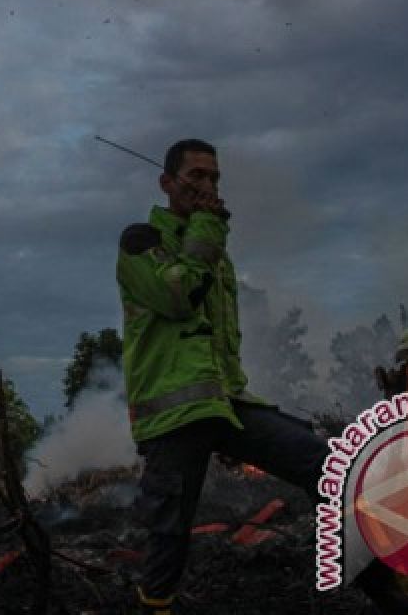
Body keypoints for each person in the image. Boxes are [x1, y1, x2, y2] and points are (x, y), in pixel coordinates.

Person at [116, 138, 333, 613]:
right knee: (169, 536)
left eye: (214, 178)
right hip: (175, 415)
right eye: (195, 176)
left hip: (226, 403)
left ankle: (401, 590)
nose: (207, 186)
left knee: (329, 465)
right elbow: (179, 296)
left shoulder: (210, 246)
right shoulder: (141, 242)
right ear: (166, 182)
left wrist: (207, 232)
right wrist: (209, 226)